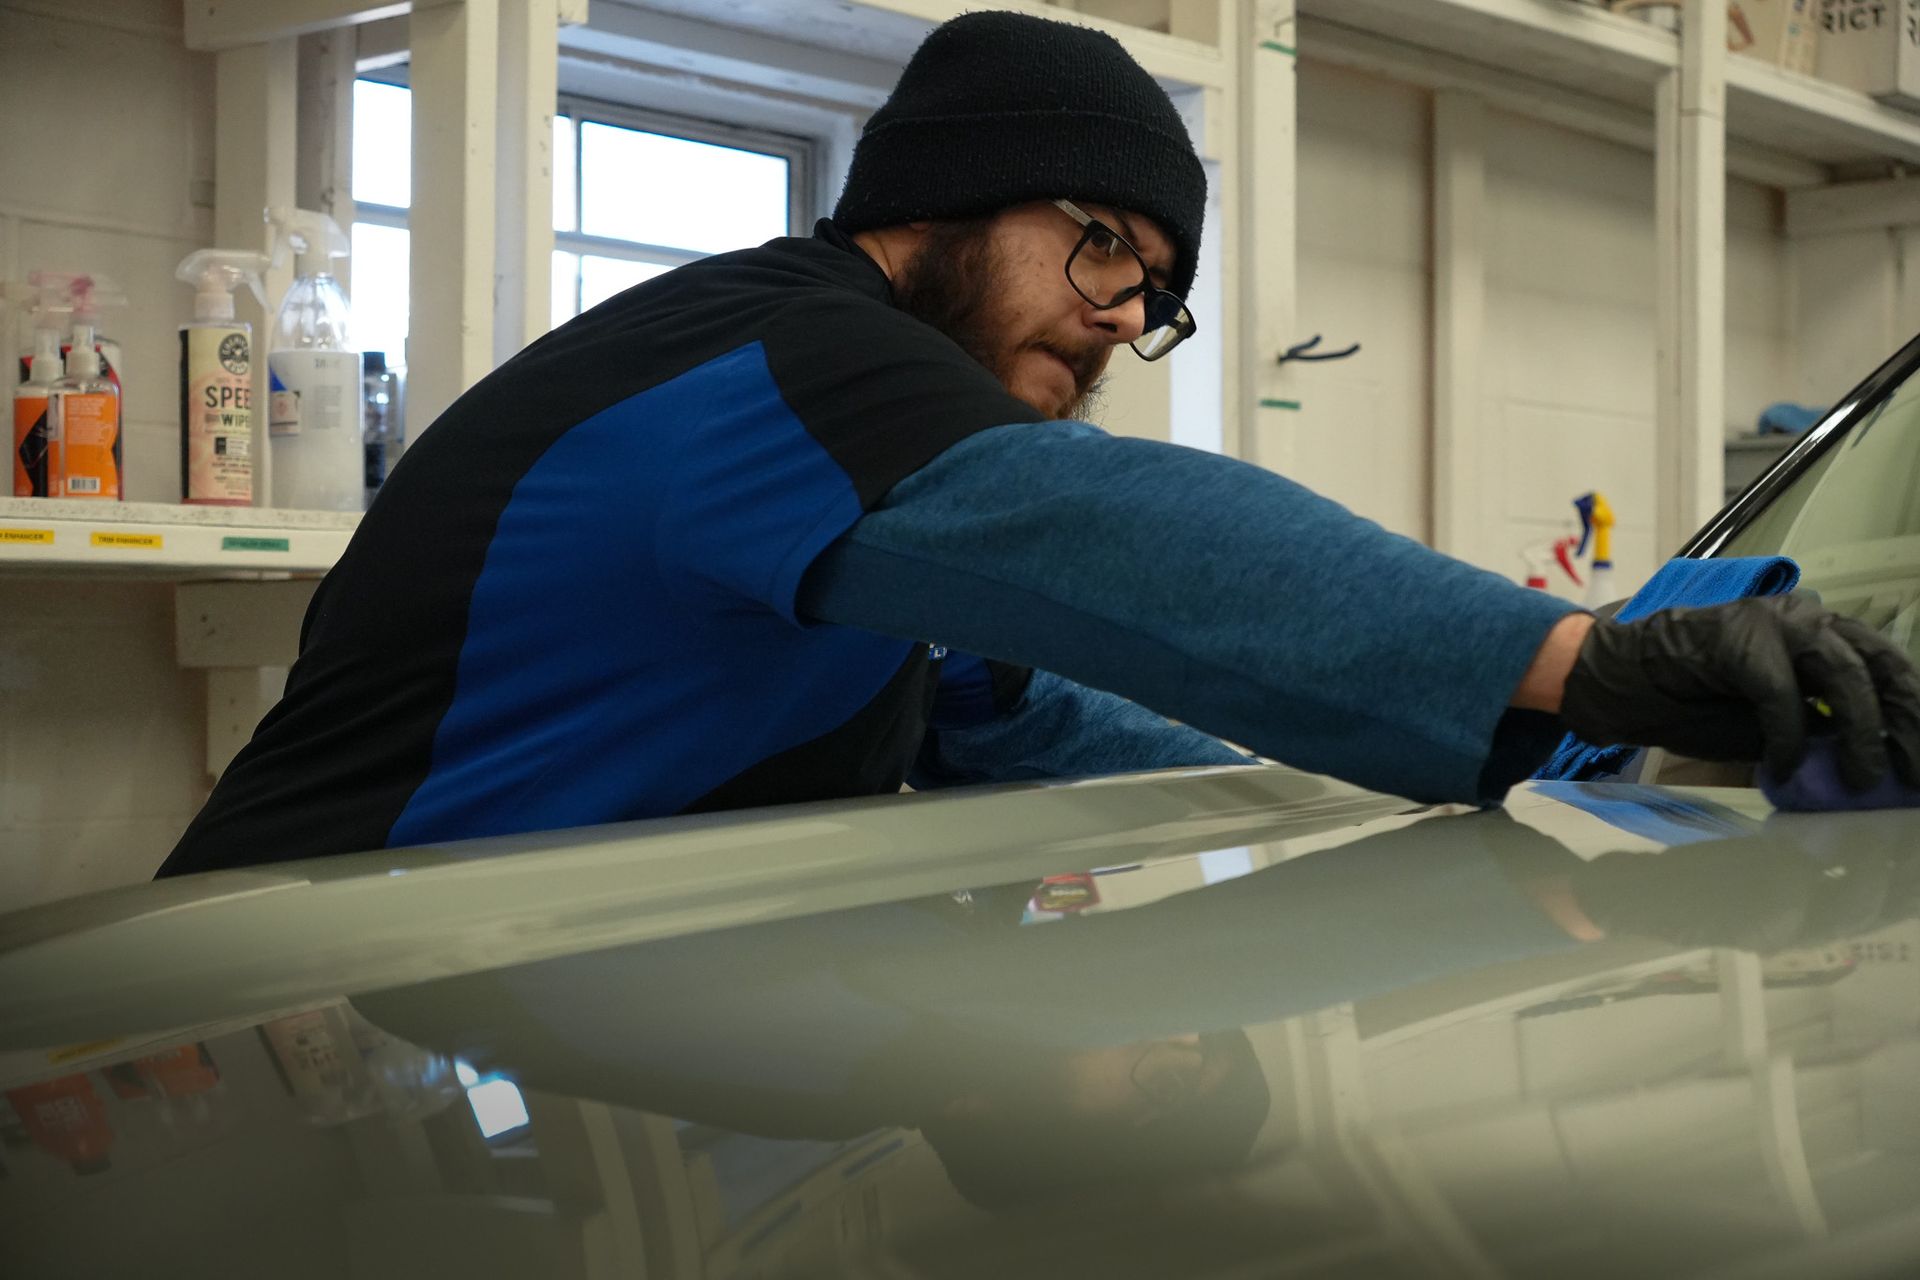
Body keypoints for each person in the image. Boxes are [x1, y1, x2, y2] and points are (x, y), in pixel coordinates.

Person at [158, 11, 1920, 879]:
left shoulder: (842, 478)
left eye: (1150, 295)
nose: (1115, 319)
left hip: (506, 1008)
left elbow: (1017, 702)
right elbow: (1108, 536)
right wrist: (1582, 659)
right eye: (1099, 249)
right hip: (285, 998)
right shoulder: (774, 360)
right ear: (938, 202)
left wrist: (1399, 770)